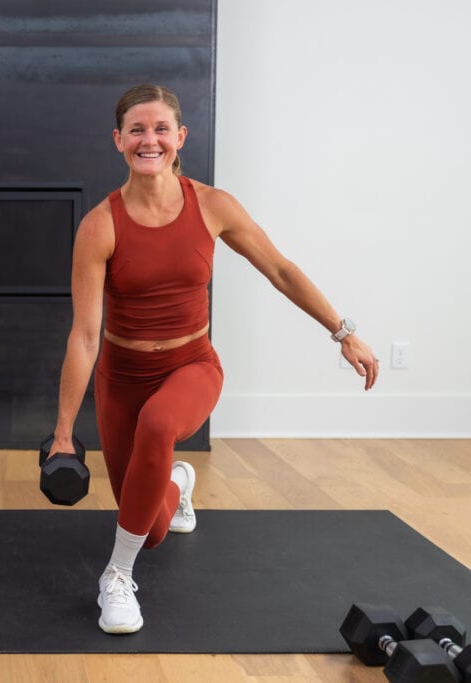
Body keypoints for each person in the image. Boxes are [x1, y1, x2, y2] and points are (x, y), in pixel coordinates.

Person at [47, 84, 379, 634]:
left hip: (191, 367)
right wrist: (63, 431)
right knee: (151, 525)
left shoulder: (214, 205)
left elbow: (281, 269)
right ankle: (178, 484)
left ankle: (115, 576)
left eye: (160, 129)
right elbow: (85, 336)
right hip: (122, 380)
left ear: (180, 137)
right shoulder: (99, 226)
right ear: (118, 140)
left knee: (159, 423)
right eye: (136, 129)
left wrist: (342, 332)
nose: (148, 139)